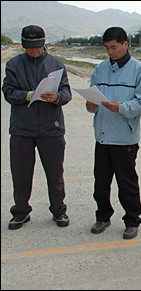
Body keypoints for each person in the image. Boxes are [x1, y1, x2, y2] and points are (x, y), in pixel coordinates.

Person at [2, 25, 72, 230]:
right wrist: (26, 95)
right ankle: (21, 212)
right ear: (23, 44)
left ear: (44, 43)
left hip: (51, 128)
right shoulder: (14, 64)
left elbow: (67, 92)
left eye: (38, 46)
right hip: (22, 129)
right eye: (29, 46)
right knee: (21, 173)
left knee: (55, 174)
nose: (34, 50)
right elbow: (7, 92)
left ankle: (59, 210)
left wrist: (57, 97)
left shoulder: (56, 65)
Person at [86, 27, 141, 240]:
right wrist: (91, 105)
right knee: (101, 181)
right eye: (107, 48)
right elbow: (92, 100)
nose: (110, 52)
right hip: (102, 136)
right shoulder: (100, 69)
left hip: (125, 138)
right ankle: (103, 216)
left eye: (113, 47)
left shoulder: (139, 70)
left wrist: (121, 107)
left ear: (125, 44)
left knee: (127, 183)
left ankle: (132, 220)